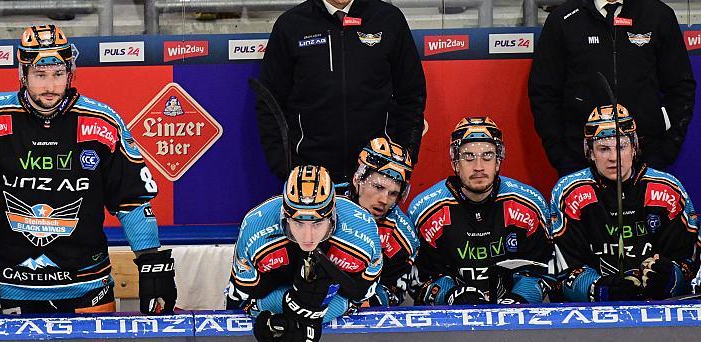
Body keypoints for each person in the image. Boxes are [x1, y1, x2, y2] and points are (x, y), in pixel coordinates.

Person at [0, 24, 176, 314]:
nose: (49, 86)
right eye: (39, 75)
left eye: (58, 74)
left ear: (70, 72)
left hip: (87, 286)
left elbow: (132, 200)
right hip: (7, 288)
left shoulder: (102, 121)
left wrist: (152, 264)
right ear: (22, 74)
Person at [255, 0, 426, 184]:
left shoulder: (389, 20)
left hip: (378, 173)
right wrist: (287, 169)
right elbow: (270, 104)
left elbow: (411, 96)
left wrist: (402, 160)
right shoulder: (291, 26)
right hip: (311, 177)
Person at [529, 0, 695, 177]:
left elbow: (681, 87)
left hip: (647, 160)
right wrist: (562, 157)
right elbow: (544, 92)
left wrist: (665, 151)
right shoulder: (563, 21)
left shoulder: (658, 16)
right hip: (580, 163)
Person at [550, 104, 700, 302]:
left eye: (621, 146)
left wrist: (669, 277)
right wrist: (600, 289)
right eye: (603, 149)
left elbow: (689, 263)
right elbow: (562, 272)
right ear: (591, 152)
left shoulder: (668, 189)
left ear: (634, 146)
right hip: (593, 314)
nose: (613, 158)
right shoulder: (569, 192)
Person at [226, 165, 382, 342]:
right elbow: (241, 301)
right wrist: (291, 306)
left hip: (329, 304)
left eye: (317, 223)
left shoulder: (364, 231)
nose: (308, 236)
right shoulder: (254, 227)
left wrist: (305, 314)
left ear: (332, 217)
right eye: (299, 223)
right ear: (285, 217)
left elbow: (359, 299)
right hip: (273, 292)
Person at [408, 117, 552, 305]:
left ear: (498, 161)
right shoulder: (425, 210)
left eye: (487, 156)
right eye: (468, 156)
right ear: (455, 163)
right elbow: (417, 278)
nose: (478, 167)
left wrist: (519, 300)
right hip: (449, 322)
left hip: (514, 320)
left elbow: (542, 269)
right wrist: (455, 295)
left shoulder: (528, 204)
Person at [335, 137, 419, 307]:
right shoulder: (327, 205)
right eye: (378, 187)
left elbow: (394, 289)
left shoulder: (402, 236)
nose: (384, 199)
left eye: (393, 193)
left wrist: (371, 300)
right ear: (357, 179)